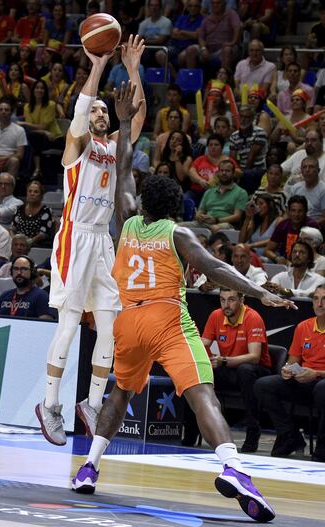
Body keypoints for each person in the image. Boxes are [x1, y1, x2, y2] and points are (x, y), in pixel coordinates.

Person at [71, 82, 296, 525]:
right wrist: (262, 293)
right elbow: (217, 270)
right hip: (165, 318)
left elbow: (123, 172)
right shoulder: (177, 233)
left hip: (125, 322)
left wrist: (122, 124)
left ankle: (89, 466)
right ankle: (233, 465)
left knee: (121, 393)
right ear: (175, 206)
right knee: (201, 392)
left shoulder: (128, 220)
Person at [35, 36, 146, 447]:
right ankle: (49, 404)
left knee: (109, 328)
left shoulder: (115, 148)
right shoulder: (76, 146)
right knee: (67, 327)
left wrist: (132, 69)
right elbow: (82, 111)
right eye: (96, 108)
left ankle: (92, 403)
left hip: (102, 242)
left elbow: (135, 122)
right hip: (74, 238)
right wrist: (97, 66)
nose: (101, 112)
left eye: (104, 109)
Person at [254, 283, 325, 462]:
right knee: (264, 385)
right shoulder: (304, 327)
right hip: (304, 379)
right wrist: (287, 369)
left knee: (322, 388)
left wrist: (316, 373)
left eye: (324, 299)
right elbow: (294, 359)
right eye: (316, 299)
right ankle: (290, 435)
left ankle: (322, 446)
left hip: (321, 381)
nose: (320, 304)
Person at [202, 287, 272, 452]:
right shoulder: (216, 316)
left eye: (231, 299)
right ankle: (193, 431)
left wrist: (224, 360)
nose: (226, 305)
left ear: (242, 300)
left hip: (257, 370)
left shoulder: (253, 317)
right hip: (229, 368)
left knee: (245, 371)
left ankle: (253, 431)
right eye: (222, 300)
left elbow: (254, 356)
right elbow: (202, 344)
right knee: (202, 374)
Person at [181, 158, 248, 232]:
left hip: (226, 224)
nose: (224, 173)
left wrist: (217, 220)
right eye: (221, 170)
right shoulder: (209, 192)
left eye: (227, 171)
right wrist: (199, 216)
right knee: (177, 227)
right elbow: (200, 212)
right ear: (218, 173)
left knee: (215, 228)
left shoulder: (241, 192)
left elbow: (237, 217)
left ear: (233, 173)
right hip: (206, 222)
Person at [264, 195, 319, 264]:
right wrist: (277, 258)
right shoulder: (283, 225)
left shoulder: (312, 226)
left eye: (300, 211)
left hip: (305, 264)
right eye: (293, 210)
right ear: (288, 211)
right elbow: (267, 250)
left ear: (306, 212)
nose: (296, 214)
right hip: (284, 263)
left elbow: (315, 253)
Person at [11, 180, 53, 248]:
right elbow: (12, 228)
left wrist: (29, 242)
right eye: (30, 191)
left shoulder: (46, 211)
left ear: (41, 195)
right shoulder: (19, 209)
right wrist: (14, 240)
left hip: (37, 245)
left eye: (36, 192)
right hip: (18, 244)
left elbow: (43, 234)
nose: (32, 194)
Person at [285, 156, 325, 227]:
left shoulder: (323, 189)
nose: (307, 170)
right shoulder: (295, 188)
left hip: (315, 228)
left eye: (311, 167)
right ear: (301, 171)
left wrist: (306, 226)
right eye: (304, 167)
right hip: (294, 226)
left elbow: (324, 218)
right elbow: (288, 212)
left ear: (318, 170)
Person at [239, 193, 283, 258]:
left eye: (261, 204)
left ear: (270, 204)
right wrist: (247, 218)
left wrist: (251, 245)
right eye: (257, 205)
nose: (258, 207)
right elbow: (241, 241)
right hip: (252, 256)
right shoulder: (256, 222)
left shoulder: (279, 221)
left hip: (267, 258)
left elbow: (274, 240)